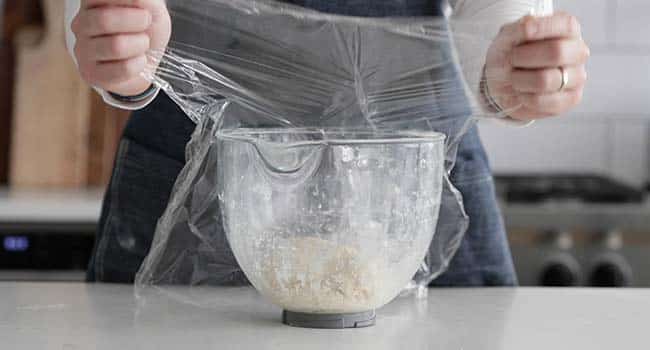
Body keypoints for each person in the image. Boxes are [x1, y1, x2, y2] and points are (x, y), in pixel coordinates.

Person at [65, 0, 589, 285]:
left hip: (418, 181)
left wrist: (512, 74)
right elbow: (111, 13)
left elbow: (494, 16)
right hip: (188, 160)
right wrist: (119, 46)